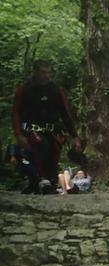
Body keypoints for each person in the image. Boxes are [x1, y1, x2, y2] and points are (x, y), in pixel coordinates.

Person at [11, 60, 82, 194]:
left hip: (53, 130)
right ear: (35, 72)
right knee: (40, 145)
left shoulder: (56, 90)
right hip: (32, 130)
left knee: (53, 153)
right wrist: (18, 134)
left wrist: (75, 136)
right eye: (43, 73)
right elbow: (15, 112)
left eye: (49, 73)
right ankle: (40, 180)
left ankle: (51, 181)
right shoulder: (24, 89)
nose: (47, 76)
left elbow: (65, 113)